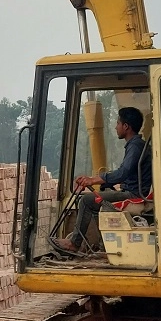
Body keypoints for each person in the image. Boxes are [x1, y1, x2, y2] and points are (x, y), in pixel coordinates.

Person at [50, 106, 151, 254]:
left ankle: (74, 243)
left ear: (126, 126)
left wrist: (93, 180)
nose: (116, 127)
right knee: (94, 201)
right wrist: (101, 181)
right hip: (133, 190)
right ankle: (104, 244)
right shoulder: (135, 145)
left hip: (133, 195)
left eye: (118, 123)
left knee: (85, 201)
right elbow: (125, 173)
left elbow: (122, 173)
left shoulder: (135, 146)